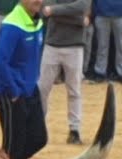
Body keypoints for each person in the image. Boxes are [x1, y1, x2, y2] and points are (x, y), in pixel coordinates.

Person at [0, 0, 45, 159]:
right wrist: (14, 91)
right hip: (8, 92)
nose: (39, 1)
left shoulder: (38, 21)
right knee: (13, 146)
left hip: (29, 88)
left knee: (39, 139)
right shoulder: (12, 25)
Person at [37, 0, 88, 144]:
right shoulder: (77, 17)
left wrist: (54, 12)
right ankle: (39, 128)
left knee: (74, 90)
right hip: (52, 44)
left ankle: (74, 130)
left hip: (75, 46)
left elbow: (82, 6)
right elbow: (45, 7)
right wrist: (78, 19)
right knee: (43, 88)